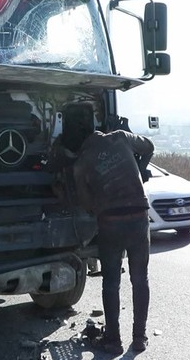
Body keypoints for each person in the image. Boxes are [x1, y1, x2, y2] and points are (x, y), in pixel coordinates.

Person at [70, 126, 155, 355]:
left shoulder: (82, 161)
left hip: (110, 223)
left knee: (111, 282)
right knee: (140, 279)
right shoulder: (121, 137)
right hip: (139, 216)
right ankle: (139, 338)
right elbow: (149, 147)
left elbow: (86, 203)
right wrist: (140, 169)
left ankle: (113, 340)